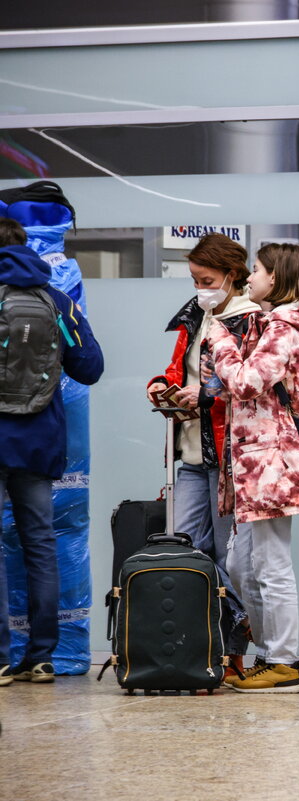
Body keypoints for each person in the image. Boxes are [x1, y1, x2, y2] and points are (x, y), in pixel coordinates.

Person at [206, 242, 299, 694]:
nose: (249, 277)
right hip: (255, 465)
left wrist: (220, 339)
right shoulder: (270, 325)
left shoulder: (282, 330)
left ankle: (283, 662)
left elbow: (246, 382)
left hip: (272, 464)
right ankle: (269, 649)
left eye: (256, 270)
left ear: (275, 277)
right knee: (242, 565)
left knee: (271, 565)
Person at [146, 232, 259, 680]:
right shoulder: (195, 315)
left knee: (231, 558)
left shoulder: (249, 320)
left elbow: (251, 388)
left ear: (232, 275)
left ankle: (233, 651)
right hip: (192, 452)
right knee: (185, 548)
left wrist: (206, 396)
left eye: (206, 279)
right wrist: (163, 385)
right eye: (194, 279)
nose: (199, 287)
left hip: (230, 455)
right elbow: (181, 371)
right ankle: (221, 637)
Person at [0, 218, 103, 685]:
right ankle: (42, 657)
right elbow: (91, 368)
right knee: (41, 543)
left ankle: (1, 658)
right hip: (39, 439)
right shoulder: (58, 300)